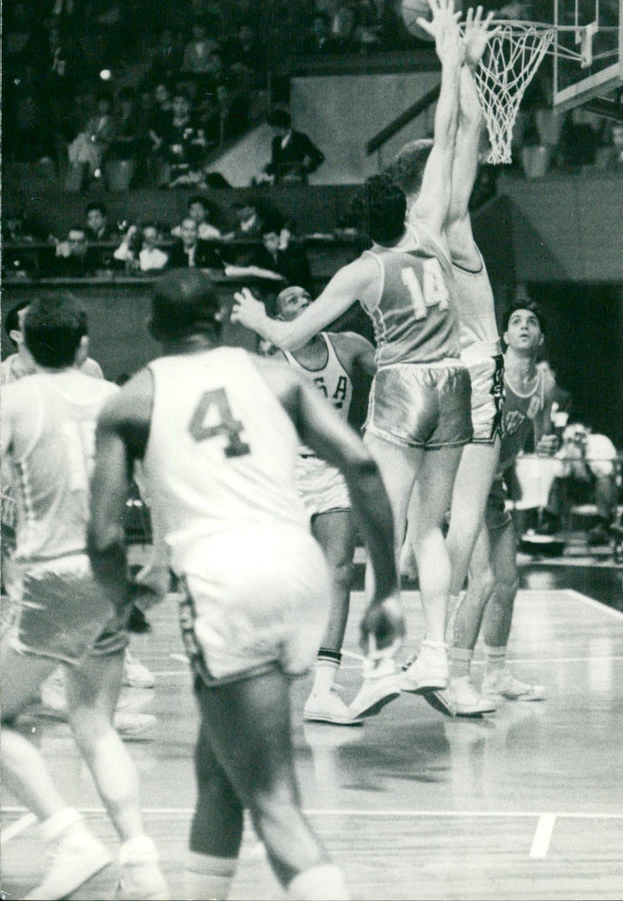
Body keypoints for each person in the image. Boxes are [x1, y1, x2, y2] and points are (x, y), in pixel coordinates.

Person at [88, 270, 402, 901]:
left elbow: (103, 537)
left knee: (274, 803)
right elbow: (363, 464)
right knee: (218, 770)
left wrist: (123, 604)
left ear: (152, 328)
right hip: (300, 577)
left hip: (225, 584)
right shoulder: (279, 378)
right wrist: (388, 590)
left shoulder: (130, 400)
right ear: (224, 320)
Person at [232, 0, 470, 718]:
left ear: (358, 228)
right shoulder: (429, 229)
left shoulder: (361, 271)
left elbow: (291, 332)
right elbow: (444, 138)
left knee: (379, 532)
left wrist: (249, 314)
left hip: (402, 386)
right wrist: (451, 60)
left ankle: (368, 673)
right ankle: (435, 653)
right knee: (433, 528)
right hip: (455, 379)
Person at [0, 295, 168, 901]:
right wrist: (163, 562)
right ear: (84, 346)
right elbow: (162, 486)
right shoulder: (116, 400)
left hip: (52, 575)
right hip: (111, 575)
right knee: (94, 723)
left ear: (21, 346)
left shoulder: (14, 400)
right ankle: (141, 860)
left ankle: (69, 838)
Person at [385, 6, 506, 717]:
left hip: (426, 374)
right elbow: (463, 134)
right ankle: (445, 661)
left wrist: (465, 65)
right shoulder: (447, 217)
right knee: (462, 523)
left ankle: (441, 659)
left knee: (438, 530)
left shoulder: (406, 229)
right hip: (475, 373)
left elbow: (463, 134)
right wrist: (455, 61)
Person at [267, 284, 378, 725]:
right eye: (292, 301)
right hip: (287, 470)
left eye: (308, 298)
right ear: (280, 318)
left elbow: (393, 378)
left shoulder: (350, 347)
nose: (304, 303)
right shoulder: (275, 360)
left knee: (339, 570)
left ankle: (324, 689)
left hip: (333, 469)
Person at [447, 300, 558, 707]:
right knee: (483, 580)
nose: (524, 326)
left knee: (507, 582)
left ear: (540, 338)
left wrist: (546, 444)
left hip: (494, 485)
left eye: (532, 321)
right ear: (505, 336)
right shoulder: (487, 373)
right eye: (516, 321)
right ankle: (456, 677)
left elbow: (537, 436)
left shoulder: (542, 385)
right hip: (464, 479)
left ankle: (494, 675)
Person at [545, 422, 619, 544]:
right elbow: (561, 473)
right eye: (575, 435)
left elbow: (607, 471)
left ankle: (601, 525)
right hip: (581, 489)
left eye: (580, 434)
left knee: (604, 481)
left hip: (605, 489)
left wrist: (587, 453)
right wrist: (565, 453)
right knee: (558, 481)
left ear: (588, 431)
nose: (578, 438)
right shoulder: (570, 446)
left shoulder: (601, 442)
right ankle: (552, 522)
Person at [267, 110, 325, 184]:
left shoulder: (300, 138)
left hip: (298, 184)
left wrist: (305, 169)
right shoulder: (276, 141)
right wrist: (268, 168)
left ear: (283, 126)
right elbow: (275, 163)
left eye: (275, 128)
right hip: (280, 184)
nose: (274, 131)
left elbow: (319, 157)